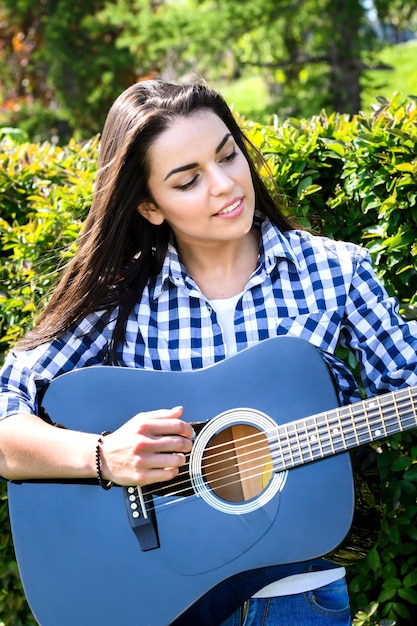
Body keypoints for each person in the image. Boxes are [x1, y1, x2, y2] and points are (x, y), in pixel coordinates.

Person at [1, 79, 417, 626]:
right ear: (149, 205)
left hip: (303, 602)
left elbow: (406, 385)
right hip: (164, 605)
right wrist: (105, 456)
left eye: (228, 155)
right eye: (188, 179)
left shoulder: (337, 271)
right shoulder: (116, 299)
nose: (224, 185)